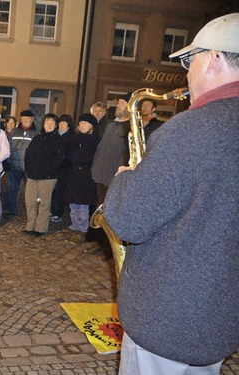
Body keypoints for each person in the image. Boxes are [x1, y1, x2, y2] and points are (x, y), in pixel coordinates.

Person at [104, 13, 239, 373]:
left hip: (167, 323)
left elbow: (129, 220)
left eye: (188, 61)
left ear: (214, 59)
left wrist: (125, 179)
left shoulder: (190, 130)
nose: (185, 74)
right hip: (219, 320)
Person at [89, 93, 131, 256]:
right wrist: (94, 168)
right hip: (100, 175)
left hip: (113, 179)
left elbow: (125, 155)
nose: (118, 106)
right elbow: (100, 149)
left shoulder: (129, 127)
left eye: (121, 103)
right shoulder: (110, 125)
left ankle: (108, 247)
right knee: (99, 210)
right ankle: (99, 242)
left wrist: (117, 175)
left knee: (110, 213)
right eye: (118, 103)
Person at [22, 113, 64, 236]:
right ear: (43, 124)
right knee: (30, 202)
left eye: (52, 123)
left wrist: (49, 171)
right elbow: (28, 155)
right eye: (47, 122)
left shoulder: (58, 141)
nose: (49, 125)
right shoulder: (37, 138)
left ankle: (40, 228)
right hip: (32, 176)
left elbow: (60, 159)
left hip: (47, 177)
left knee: (44, 204)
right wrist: (28, 170)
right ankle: (30, 226)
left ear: (55, 125)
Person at [63, 114, 99, 245]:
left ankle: (83, 227)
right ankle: (75, 224)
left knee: (83, 204)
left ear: (91, 126)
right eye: (81, 122)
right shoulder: (74, 139)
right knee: (73, 204)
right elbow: (68, 154)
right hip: (73, 174)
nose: (82, 125)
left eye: (85, 123)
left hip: (86, 175)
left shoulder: (95, 141)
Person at [3, 110, 37, 218]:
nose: (26, 120)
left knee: (31, 192)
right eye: (24, 118)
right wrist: (8, 161)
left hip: (30, 166)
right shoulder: (14, 132)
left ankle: (30, 211)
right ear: (21, 119)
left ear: (32, 119)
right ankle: (9, 209)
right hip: (15, 165)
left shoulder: (37, 133)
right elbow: (8, 147)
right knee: (11, 188)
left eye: (28, 118)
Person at [50, 114, 74, 222]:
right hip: (52, 167)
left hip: (64, 169)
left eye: (64, 123)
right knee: (51, 190)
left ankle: (58, 212)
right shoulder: (54, 135)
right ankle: (50, 210)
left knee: (60, 191)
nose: (62, 125)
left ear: (68, 125)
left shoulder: (71, 137)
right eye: (60, 122)